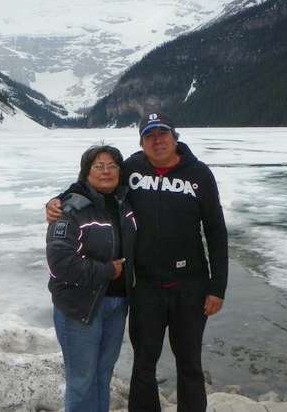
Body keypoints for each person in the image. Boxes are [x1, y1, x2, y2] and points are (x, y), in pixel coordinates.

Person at [46, 113, 228, 412]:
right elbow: (92, 184)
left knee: (190, 364)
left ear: (175, 136)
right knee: (143, 366)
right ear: (142, 141)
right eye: (149, 136)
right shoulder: (131, 168)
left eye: (163, 134)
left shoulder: (199, 174)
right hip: (145, 287)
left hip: (191, 285)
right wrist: (57, 201)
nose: (157, 141)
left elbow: (216, 231)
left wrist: (217, 287)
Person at [46, 143, 138, 412]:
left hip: (116, 306)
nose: (106, 171)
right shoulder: (70, 209)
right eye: (99, 166)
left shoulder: (126, 203)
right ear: (86, 173)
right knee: (81, 381)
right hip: (80, 307)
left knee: (102, 377)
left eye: (112, 165)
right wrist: (107, 271)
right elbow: (60, 263)